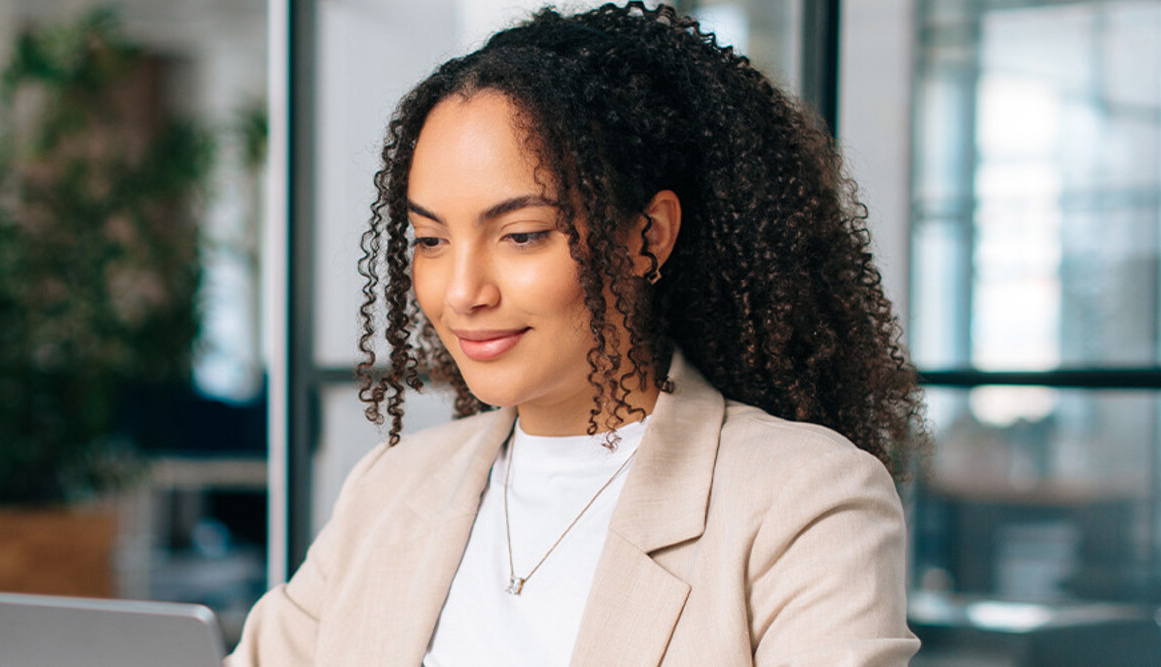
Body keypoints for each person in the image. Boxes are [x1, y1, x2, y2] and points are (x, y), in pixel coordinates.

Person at [230, 3, 926, 665]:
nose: (465, 292)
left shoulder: (802, 500)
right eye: (431, 239)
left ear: (647, 236)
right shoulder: (392, 488)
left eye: (522, 235)